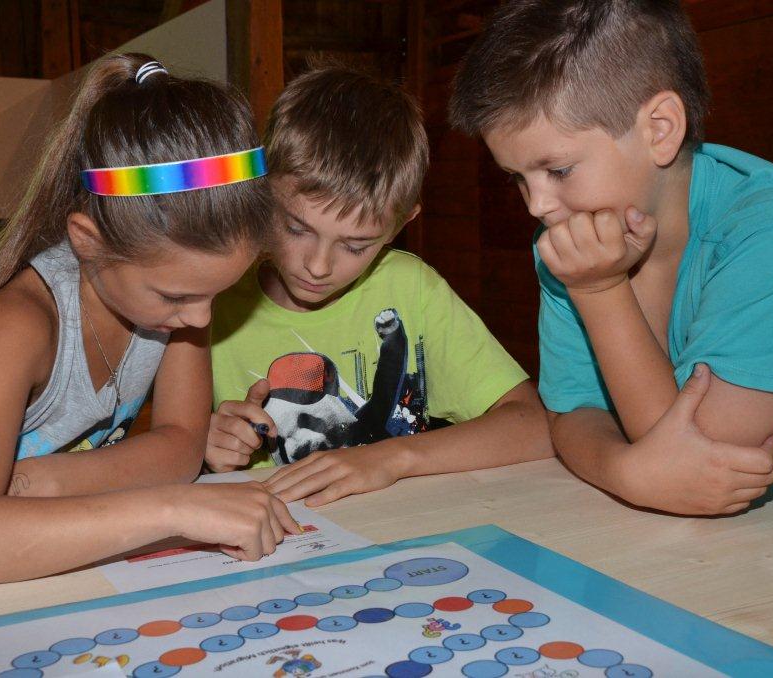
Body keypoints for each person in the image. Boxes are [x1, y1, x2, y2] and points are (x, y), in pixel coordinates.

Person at [0, 54, 297, 588]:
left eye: (214, 294)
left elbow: (181, 446)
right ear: (88, 241)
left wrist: (39, 484)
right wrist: (171, 510)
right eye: (177, 295)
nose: (200, 317)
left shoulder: (179, 295)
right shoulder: (18, 325)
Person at [448, 0, 773, 515]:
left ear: (660, 129)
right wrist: (623, 471)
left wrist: (600, 292)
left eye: (558, 171)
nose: (537, 205)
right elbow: (571, 414)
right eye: (518, 177)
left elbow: (689, 455)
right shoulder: (578, 243)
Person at [207, 65, 553, 507]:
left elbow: (532, 425)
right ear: (260, 191)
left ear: (400, 224)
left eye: (355, 245)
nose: (317, 266)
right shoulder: (211, 302)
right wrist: (209, 445)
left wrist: (392, 458)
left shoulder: (412, 290)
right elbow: (176, 445)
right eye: (296, 228)